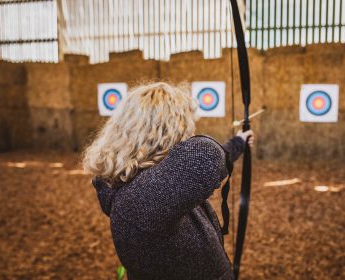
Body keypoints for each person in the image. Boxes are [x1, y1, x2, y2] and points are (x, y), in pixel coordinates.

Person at [83, 82, 254, 280]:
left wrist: (238, 143)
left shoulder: (147, 185)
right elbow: (205, 156)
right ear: (166, 133)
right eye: (184, 126)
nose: (188, 134)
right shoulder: (139, 202)